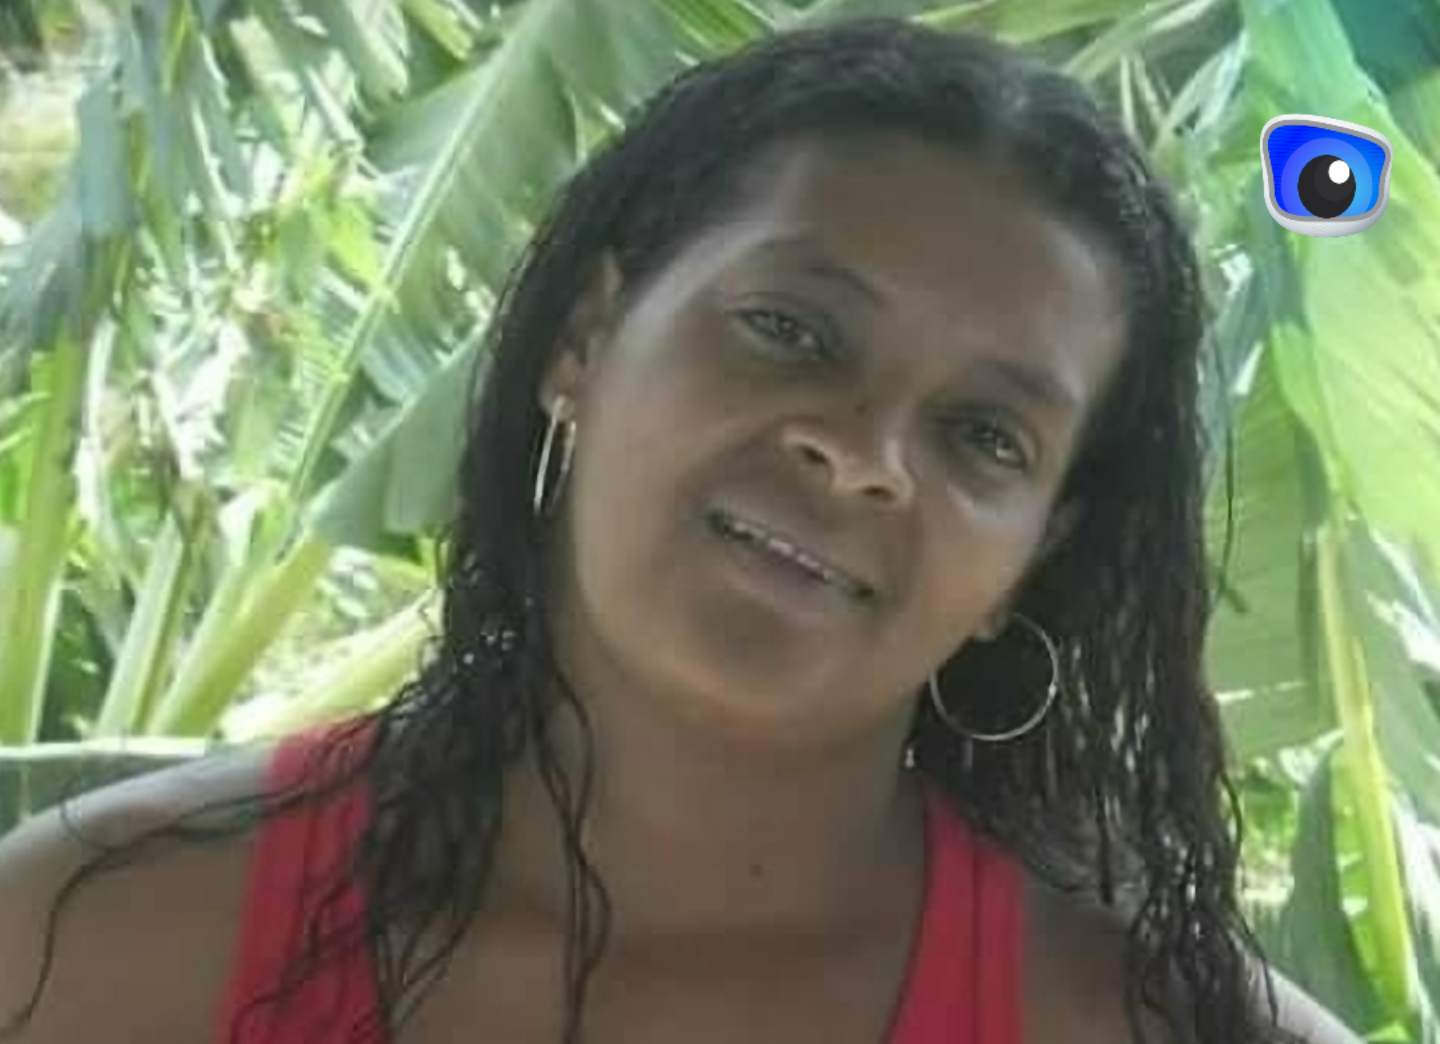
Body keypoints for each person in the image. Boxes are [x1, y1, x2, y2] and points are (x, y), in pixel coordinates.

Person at [0, 17, 1362, 1044]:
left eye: (983, 436)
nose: (862, 453)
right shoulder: (89, 945)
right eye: (790, 329)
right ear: (585, 340)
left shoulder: (1151, 1024)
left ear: (1032, 557)